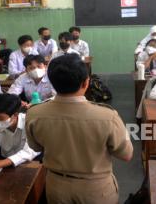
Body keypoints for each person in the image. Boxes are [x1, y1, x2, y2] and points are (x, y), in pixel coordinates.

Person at [26, 54, 133, 203]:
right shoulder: (107, 116)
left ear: (51, 81)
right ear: (86, 83)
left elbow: (35, 147)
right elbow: (126, 155)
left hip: (56, 186)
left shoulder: (34, 113)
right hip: (95, 189)